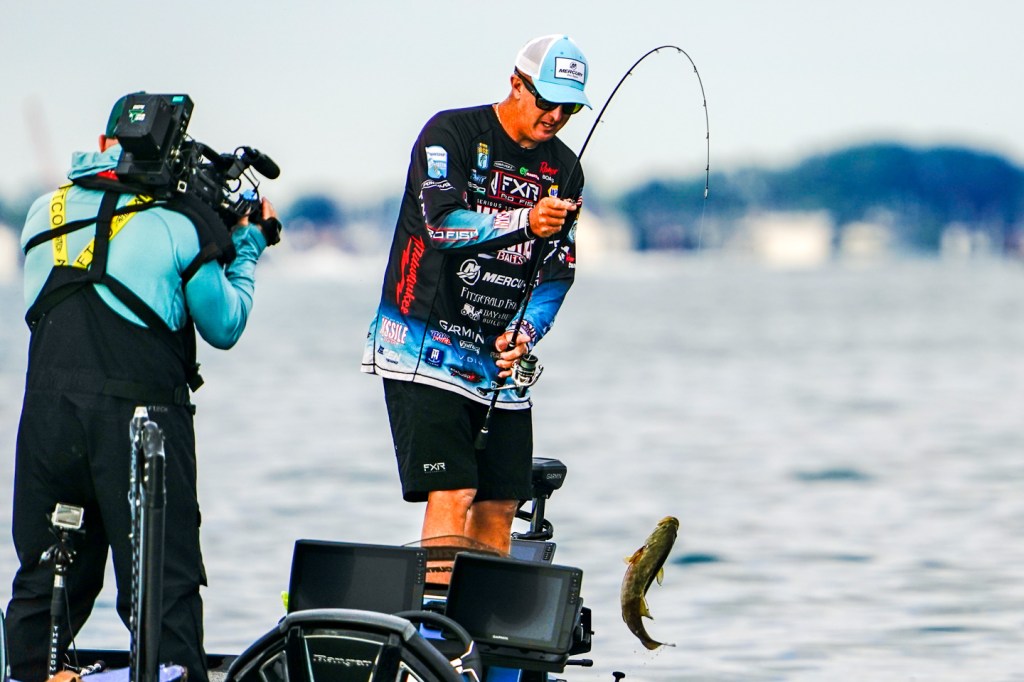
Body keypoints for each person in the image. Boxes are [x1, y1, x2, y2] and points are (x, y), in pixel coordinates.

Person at [5, 93, 280, 682]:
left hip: (47, 420)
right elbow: (224, 325)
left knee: (47, 576)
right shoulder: (180, 225)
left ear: (104, 145)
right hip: (140, 425)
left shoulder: (41, 210)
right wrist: (246, 246)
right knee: (162, 586)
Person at [362, 35, 591, 560]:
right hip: (423, 341)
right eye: (548, 101)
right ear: (517, 84)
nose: (557, 116)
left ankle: (486, 614)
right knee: (455, 489)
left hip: (498, 359)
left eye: (570, 108)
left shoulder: (567, 170)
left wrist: (525, 333)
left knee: (501, 502)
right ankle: (437, 612)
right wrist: (525, 220)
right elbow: (441, 225)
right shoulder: (450, 133)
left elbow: (558, 272)